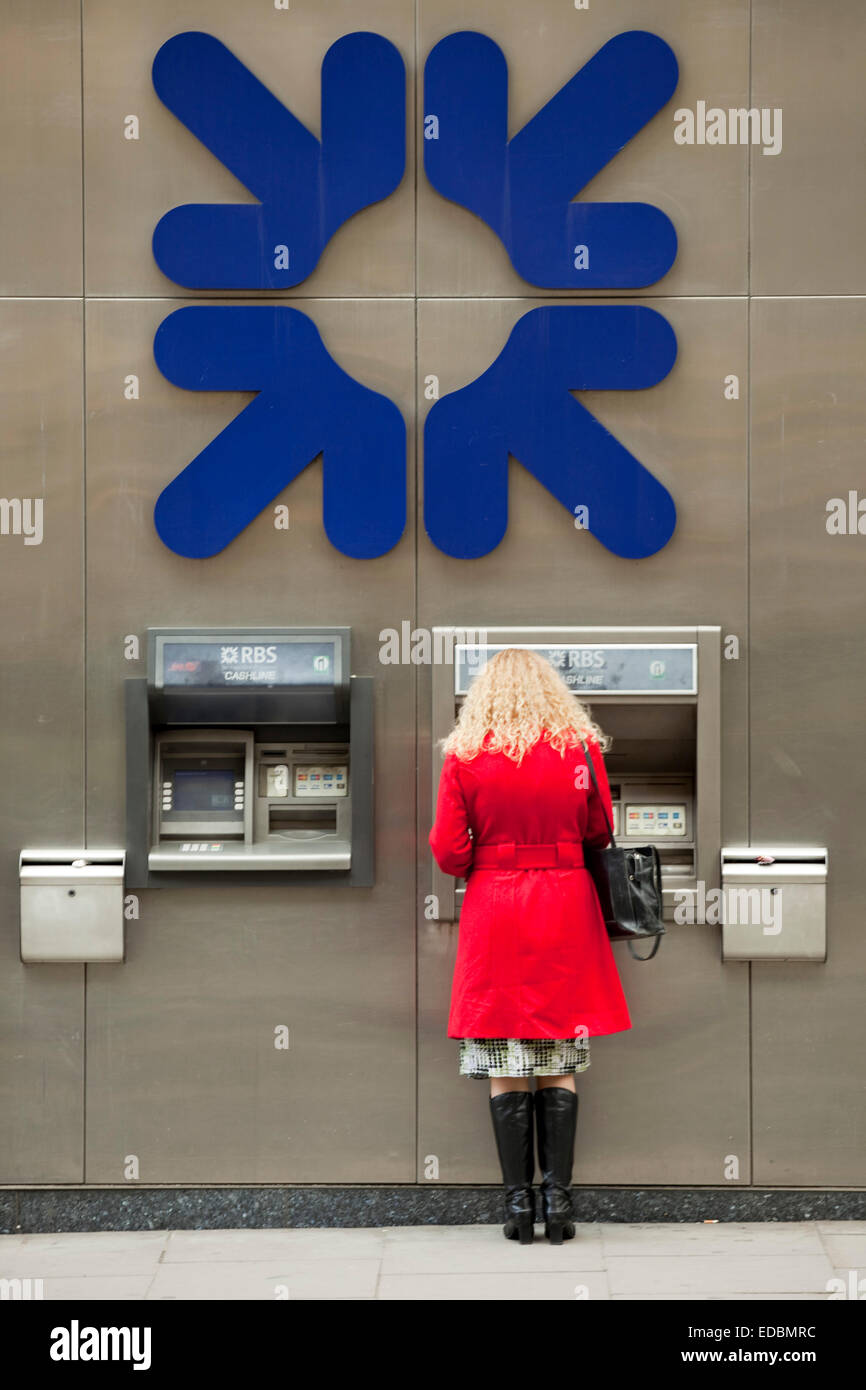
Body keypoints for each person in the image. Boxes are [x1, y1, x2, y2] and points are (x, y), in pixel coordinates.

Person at [429, 647, 632, 1245]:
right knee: (560, 1062)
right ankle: (560, 1207)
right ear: (550, 692)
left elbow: (447, 850)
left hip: (496, 908)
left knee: (504, 1063)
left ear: (485, 695)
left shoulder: (466, 755)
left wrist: (489, 858)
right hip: (566, 904)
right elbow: (601, 832)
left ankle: (519, 1210)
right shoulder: (580, 750)